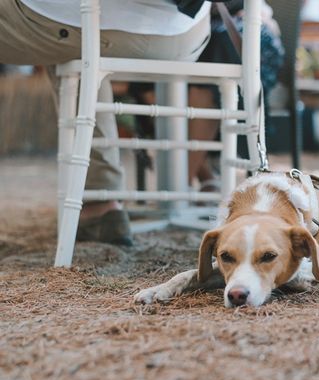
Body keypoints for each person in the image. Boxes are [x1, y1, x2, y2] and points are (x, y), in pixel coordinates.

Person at [0, 0, 212, 245]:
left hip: (91, 22)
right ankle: (101, 204)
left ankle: (102, 197)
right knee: (77, 47)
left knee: (75, 30)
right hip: (187, 36)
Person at [188, 0, 284, 191]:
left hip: (241, 24)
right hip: (186, 25)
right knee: (150, 78)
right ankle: (199, 172)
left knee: (218, 50)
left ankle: (181, 182)